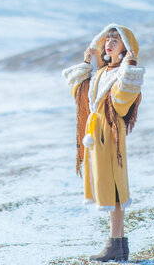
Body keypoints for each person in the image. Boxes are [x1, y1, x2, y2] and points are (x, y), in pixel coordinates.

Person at [62, 24, 145, 262]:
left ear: (125, 49)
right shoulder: (102, 72)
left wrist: (128, 68)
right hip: (95, 133)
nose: (109, 44)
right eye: (108, 39)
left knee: (115, 189)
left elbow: (120, 103)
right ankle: (118, 245)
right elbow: (82, 95)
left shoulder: (122, 73)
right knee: (107, 187)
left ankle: (114, 244)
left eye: (116, 41)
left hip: (110, 133)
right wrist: (87, 65)